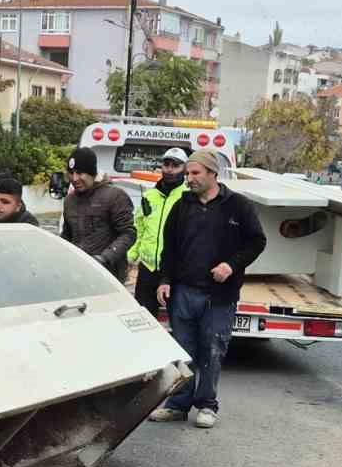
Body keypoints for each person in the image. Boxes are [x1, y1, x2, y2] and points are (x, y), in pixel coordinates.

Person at [147, 149, 266, 429]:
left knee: (212, 350)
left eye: (195, 173)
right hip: (183, 293)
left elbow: (256, 241)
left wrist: (231, 265)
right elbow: (170, 249)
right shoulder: (182, 206)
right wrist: (165, 280)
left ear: (213, 173)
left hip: (219, 297)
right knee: (183, 351)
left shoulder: (238, 206)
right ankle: (177, 405)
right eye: (187, 173)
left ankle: (207, 406)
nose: (189, 179)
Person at [60, 147, 135, 278]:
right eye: (71, 173)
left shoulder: (115, 196)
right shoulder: (69, 201)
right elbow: (66, 235)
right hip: (78, 273)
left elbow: (128, 234)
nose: (74, 178)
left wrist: (104, 258)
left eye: (79, 173)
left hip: (108, 275)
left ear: (92, 173)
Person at [131, 147, 189, 317]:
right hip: (147, 270)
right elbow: (139, 227)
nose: (169, 170)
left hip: (174, 271)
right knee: (143, 322)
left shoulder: (188, 197)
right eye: (166, 164)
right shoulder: (149, 196)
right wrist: (131, 255)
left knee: (178, 325)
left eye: (175, 166)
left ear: (184, 169)